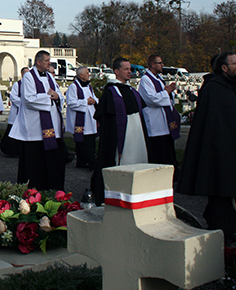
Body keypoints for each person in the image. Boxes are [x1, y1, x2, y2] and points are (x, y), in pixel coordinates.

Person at [177, 52, 236, 244]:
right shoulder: (213, 89)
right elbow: (211, 125)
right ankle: (219, 228)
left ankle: (231, 228)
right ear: (224, 68)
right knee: (222, 191)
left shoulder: (231, 88)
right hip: (219, 150)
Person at [90, 57, 148, 205]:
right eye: (126, 69)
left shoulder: (131, 90)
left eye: (130, 69)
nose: (130, 72)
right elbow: (106, 120)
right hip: (123, 136)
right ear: (116, 71)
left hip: (137, 133)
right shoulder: (111, 92)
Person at [8, 50, 66, 191]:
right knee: (35, 163)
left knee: (52, 161)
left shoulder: (50, 76)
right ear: (38, 62)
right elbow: (28, 98)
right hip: (34, 129)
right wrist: (49, 97)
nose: (49, 63)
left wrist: (56, 97)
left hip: (51, 127)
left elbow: (58, 94)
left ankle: (52, 188)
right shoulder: (28, 77)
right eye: (47, 60)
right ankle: (33, 190)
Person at [138, 55, 180, 170]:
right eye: (160, 63)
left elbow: (165, 96)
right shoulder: (146, 80)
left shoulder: (158, 78)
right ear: (153, 64)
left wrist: (170, 92)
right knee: (159, 150)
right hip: (155, 122)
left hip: (165, 121)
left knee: (168, 148)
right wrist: (166, 92)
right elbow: (152, 99)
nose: (162, 65)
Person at [66, 66, 98, 169]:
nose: (89, 75)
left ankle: (84, 162)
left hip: (90, 118)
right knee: (83, 142)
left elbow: (94, 97)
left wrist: (94, 101)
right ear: (81, 75)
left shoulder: (89, 86)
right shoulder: (73, 87)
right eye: (87, 73)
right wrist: (86, 102)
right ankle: (88, 162)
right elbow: (71, 102)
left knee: (90, 140)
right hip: (80, 120)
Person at [0, 67, 28, 158]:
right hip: (17, 112)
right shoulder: (17, 84)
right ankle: (10, 150)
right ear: (22, 74)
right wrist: (24, 103)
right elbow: (13, 97)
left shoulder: (31, 84)